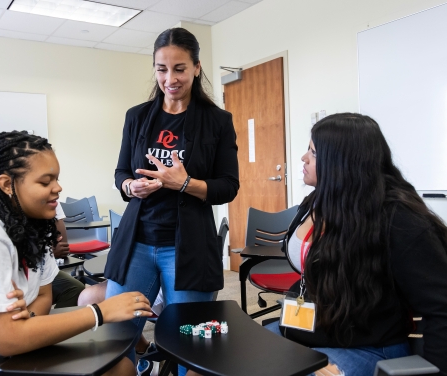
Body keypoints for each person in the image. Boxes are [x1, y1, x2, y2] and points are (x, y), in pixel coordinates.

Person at [0, 124, 152, 375]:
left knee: (121, 367)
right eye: (45, 181)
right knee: (119, 371)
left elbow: (44, 295)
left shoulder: (30, 226)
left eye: (57, 178)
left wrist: (26, 320)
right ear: (7, 184)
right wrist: (99, 312)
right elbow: (7, 338)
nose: (58, 188)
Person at [264, 113, 447, 376]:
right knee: (221, 360)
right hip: (308, 332)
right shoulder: (317, 202)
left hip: (366, 345)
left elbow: (441, 308)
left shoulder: (400, 221)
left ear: (340, 163)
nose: (304, 158)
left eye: (313, 153)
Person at [104, 27, 239, 376]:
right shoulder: (137, 116)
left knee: (190, 344)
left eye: (179, 68)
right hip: (137, 242)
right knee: (115, 337)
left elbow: (228, 187)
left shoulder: (218, 121)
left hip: (187, 247)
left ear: (196, 67)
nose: (170, 78)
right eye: (161, 69)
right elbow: (120, 172)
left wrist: (186, 183)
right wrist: (131, 186)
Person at [51, 203, 86, 308]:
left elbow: (62, 248)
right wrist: (48, 251)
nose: (58, 188)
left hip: (42, 268)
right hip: (16, 274)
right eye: (44, 184)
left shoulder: (52, 201)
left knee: (76, 288)